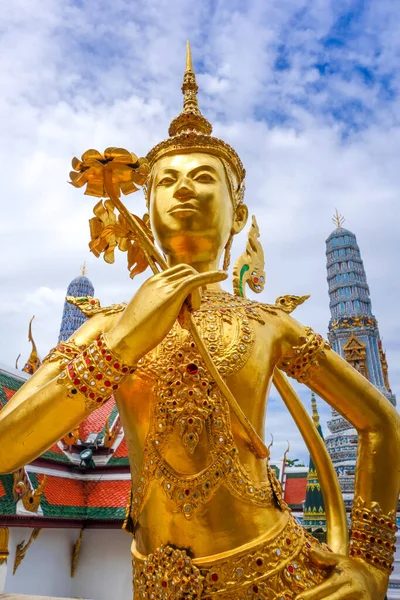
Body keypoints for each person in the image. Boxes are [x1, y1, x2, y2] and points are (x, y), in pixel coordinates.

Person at [0, 43, 399, 600]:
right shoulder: (109, 327)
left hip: (278, 578)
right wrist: (122, 342)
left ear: (238, 212)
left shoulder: (268, 325)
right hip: (155, 584)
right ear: (145, 211)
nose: (184, 187)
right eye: (166, 180)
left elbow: (381, 422)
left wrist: (372, 565)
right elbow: (5, 447)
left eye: (205, 178)